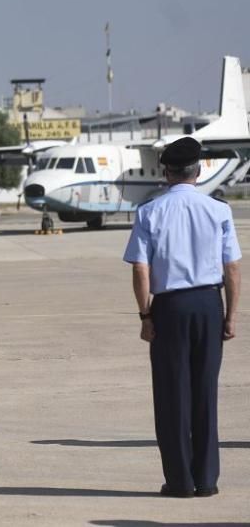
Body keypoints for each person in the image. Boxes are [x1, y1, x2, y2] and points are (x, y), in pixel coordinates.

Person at [123, 136, 240, 499]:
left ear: (166, 171)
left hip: (170, 307)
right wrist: (231, 315)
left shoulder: (149, 212)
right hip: (208, 303)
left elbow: (141, 269)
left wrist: (145, 314)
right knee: (205, 391)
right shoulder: (218, 210)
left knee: (173, 394)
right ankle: (206, 479)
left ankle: (179, 481)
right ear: (200, 168)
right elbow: (232, 268)